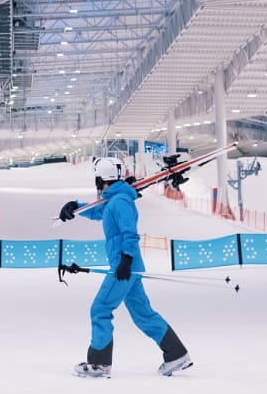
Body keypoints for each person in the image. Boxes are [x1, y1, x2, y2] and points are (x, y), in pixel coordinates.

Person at [58, 157, 192, 378]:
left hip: (124, 267)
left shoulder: (119, 201)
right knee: (143, 315)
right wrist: (75, 208)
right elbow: (98, 212)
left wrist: (126, 261)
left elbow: (130, 233)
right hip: (128, 266)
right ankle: (176, 354)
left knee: (100, 309)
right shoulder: (115, 199)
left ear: (100, 179)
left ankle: (99, 364)